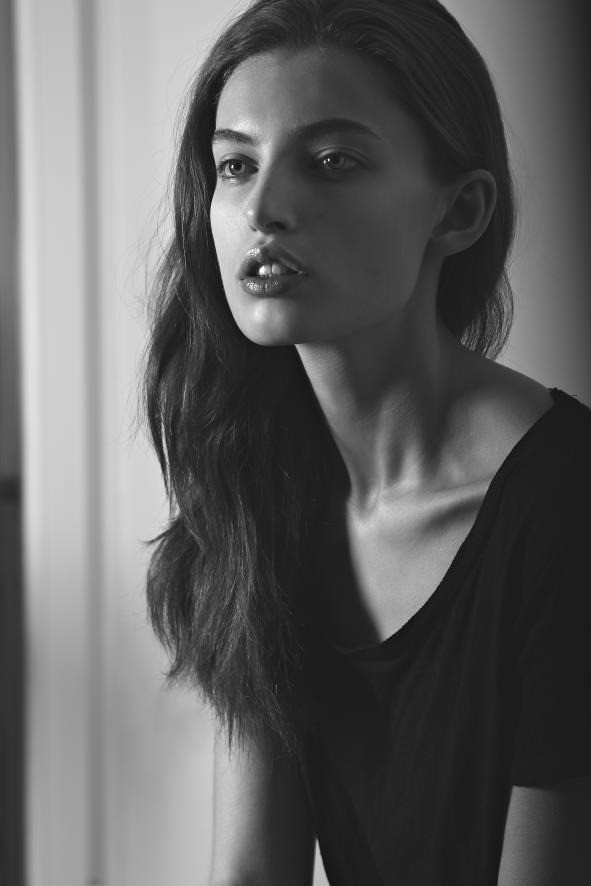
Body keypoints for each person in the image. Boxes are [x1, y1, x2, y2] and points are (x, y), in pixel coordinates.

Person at [143, 0, 591, 883]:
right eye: (236, 165)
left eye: (332, 161)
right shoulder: (262, 489)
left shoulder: (567, 505)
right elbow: (253, 873)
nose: (263, 208)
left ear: (458, 211)